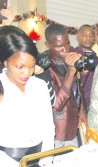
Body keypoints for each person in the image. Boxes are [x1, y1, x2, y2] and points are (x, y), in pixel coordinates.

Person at [0, 26, 55, 167]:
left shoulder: (39, 85)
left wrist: (46, 160)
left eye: (31, 66)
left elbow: (48, 127)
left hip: (41, 158)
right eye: (20, 67)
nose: (27, 73)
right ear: (5, 61)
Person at [42, 24, 87, 149]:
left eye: (67, 43)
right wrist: (71, 71)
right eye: (58, 46)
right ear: (47, 45)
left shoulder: (71, 53)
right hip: (58, 130)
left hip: (74, 124)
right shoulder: (44, 67)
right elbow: (57, 104)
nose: (65, 49)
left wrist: (82, 111)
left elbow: (77, 86)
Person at [75, 24, 98, 109]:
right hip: (78, 106)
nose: (88, 38)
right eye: (84, 35)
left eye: (91, 35)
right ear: (77, 37)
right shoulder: (72, 58)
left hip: (95, 106)